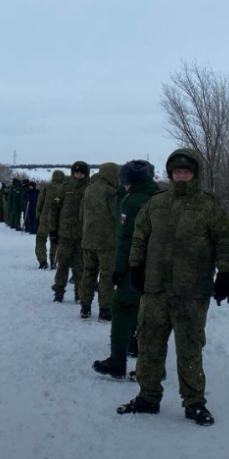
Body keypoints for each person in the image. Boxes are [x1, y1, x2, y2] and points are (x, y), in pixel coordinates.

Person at [116, 149, 229, 426]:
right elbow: (139, 237)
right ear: (170, 174)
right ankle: (148, 396)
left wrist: (226, 274)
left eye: (187, 172)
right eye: (176, 172)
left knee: (190, 348)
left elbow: (226, 241)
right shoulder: (155, 203)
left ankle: (194, 402)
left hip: (191, 292)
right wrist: (135, 266)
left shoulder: (211, 205)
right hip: (155, 288)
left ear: (195, 174)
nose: (181, 176)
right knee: (148, 345)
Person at [93, 159, 160, 378]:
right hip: (157, 265)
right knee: (149, 312)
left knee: (122, 307)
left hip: (135, 264)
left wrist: (119, 269)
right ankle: (150, 362)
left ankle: (117, 361)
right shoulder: (159, 196)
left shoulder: (132, 202)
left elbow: (126, 239)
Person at [78, 162, 121, 320]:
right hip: (106, 242)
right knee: (106, 275)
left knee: (88, 273)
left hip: (88, 240)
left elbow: (81, 214)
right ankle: (105, 307)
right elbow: (117, 216)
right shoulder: (110, 192)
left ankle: (85, 306)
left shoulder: (88, 190)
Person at [49, 161, 89, 303]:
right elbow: (54, 209)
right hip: (65, 233)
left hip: (82, 235)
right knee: (63, 264)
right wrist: (53, 229)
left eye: (81, 173)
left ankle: (80, 293)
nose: (79, 175)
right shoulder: (64, 188)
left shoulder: (89, 189)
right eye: (76, 172)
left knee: (80, 266)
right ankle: (59, 291)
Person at [35, 170, 65, 269]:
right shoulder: (64, 188)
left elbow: (40, 202)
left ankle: (42, 260)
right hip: (58, 219)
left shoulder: (47, 187)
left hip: (45, 217)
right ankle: (54, 261)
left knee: (41, 239)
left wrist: (38, 215)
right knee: (55, 241)